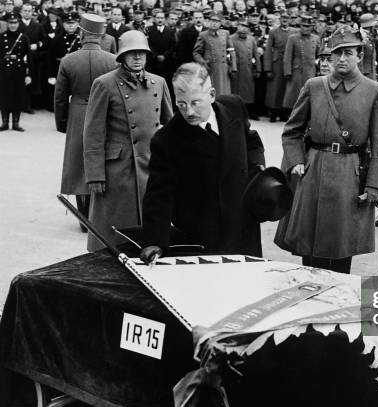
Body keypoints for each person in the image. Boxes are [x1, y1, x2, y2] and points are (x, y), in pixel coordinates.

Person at [274, 26, 378, 274]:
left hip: (350, 174)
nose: (341, 59)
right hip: (314, 169)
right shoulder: (314, 86)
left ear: (360, 55)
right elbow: (292, 129)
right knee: (308, 243)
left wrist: (375, 186)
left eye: (348, 53)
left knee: (341, 245)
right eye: (335, 54)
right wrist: (296, 159)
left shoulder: (375, 91)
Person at [139, 63, 265, 263]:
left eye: (195, 102)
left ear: (212, 95)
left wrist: (258, 167)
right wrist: (155, 241)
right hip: (204, 234)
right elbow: (159, 195)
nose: (188, 112)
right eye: (181, 104)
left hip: (243, 224)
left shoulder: (234, 107)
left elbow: (251, 140)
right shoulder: (167, 139)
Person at [83, 30, 173, 251]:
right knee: (114, 231)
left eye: (141, 53)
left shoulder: (158, 83)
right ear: (121, 56)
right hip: (118, 169)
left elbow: (171, 127)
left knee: (150, 228)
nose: (137, 58)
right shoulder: (105, 84)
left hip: (151, 166)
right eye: (131, 53)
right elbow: (93, 132)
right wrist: (95, 174)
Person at [54, 13, 117, 232]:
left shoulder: (69, 60)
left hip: (79, 113)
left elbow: (60, 97)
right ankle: (99, 214)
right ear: (101, 35)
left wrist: (62, 123)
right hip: (105, 114)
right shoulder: (112, 60)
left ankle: (83, 217)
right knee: (102, 159)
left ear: (81, 33)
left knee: (79, 162)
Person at [0, 12, 32, 131]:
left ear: (18, 24)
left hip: (19, 71)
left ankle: (15, 123)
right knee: (4, 96)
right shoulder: (1, 37)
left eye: (15, 23)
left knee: (17, 96)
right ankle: (4, 122)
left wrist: (28, 74)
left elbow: (29, 57)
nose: (13, 25)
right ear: (7, 23)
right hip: (4, 71)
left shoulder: (23, 38)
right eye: (10, 23)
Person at [193, 12, 236, 96]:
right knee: (211, 92)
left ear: (220, 23)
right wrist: (203, 63)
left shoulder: (225, 33)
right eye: (212, 21)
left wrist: (233, 67)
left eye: (217, 21)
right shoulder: (203, 35)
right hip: (210, 68)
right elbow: (196, 53)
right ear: (208, 22)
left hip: (224, 69)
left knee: (224, 92)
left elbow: (231, 51)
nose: (214, 23)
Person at [282, 14, 320, 110]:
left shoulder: (316, 38)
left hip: (311, 70)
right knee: (294, 94)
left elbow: (319, 55)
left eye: (308, 26)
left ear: (312, 27)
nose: (305, 29)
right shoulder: (293, 38)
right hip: (297, 70)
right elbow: (287, 56)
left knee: (309, 93)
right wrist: (287, 71)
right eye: (303, 26)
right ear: (300, 26)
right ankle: (291, 113)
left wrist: (318, 70)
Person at [263, 11, 290, 122]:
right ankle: (273, 112)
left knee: (285, 88)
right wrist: (268, 68)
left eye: (287, 18)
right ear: (279, 19)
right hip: (276, 63)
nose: (285, 20)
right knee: (275, 89)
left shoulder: (293, 32)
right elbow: (268, 50)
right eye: (283, 17)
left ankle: (283, 112)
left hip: (288, 63)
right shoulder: (273, 32)